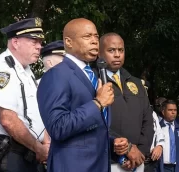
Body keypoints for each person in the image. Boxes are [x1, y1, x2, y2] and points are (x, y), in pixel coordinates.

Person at [37, 18, 123, 172]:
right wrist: (97, 103)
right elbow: (57, 127)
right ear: (68, 42)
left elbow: (88, 133)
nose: (94, 41)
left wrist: (113, 144)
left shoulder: (93, 76)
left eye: (96, 36)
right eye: (87, 37)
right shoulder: (56, 75)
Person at [0, 17, 50, 172]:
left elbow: (36, 112)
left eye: (40, 42)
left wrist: (44, 144)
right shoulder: (2, 70)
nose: (39, 46)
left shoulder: (26, 69)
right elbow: (8, 120)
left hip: (30, 153)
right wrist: (38, 147)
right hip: (12, 154)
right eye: (34, 41)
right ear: (16, 42)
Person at [98, 32, 154, 172]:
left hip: (137, 161)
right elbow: (96, 122)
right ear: (99, 53)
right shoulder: (93, 80)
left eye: (121, 50)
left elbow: (147, 120)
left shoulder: (136, 82)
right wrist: (124, 152)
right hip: (109, 161)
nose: (117, 55)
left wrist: (140, 151)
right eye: (111, 50)